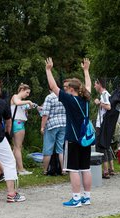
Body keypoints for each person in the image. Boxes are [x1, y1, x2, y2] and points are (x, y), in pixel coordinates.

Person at [45, 57, 92, 207]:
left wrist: (48, 70)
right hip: (86, 139)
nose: (65, 90)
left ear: (71, 89)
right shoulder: (86, 98)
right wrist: (86, 71)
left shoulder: (70, 100)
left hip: (73, 138)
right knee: (85, 168)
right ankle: (87, 197)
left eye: (67, 89)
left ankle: (76, 198)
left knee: (73, 169)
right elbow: (88, 85)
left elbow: (53, 86)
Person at [40, 88, 67, 176]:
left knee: (48, 148)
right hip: (63, 123)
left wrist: (42, 127)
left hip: (52, 124)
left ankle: (45, 170)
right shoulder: (64, 96)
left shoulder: (49, 97)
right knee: (60, 149)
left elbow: (45, 114)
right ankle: (63, 169)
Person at [11, 83, 35, 175]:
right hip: (18, 124)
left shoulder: (21, 100)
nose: (27, 95)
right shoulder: (15, 97)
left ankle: (14, 168)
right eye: (27, 92)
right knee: (18, 147)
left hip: (18, 123)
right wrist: (28, 101)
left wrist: (30, 106)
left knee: (16, 147)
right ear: (21, 90)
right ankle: (21, 169)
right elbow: (17, 103)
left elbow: (23, 107)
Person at [93, 78, 115, 179]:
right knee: (106, 146)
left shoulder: (104, 95)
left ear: (100, 84)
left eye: (95, 84)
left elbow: (108, 107)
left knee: (101, 146)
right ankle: (111, 168)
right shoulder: (108, 94)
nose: (94, 86)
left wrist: (99, 103)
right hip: (106, 125)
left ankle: (105, 171)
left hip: (101, 125)